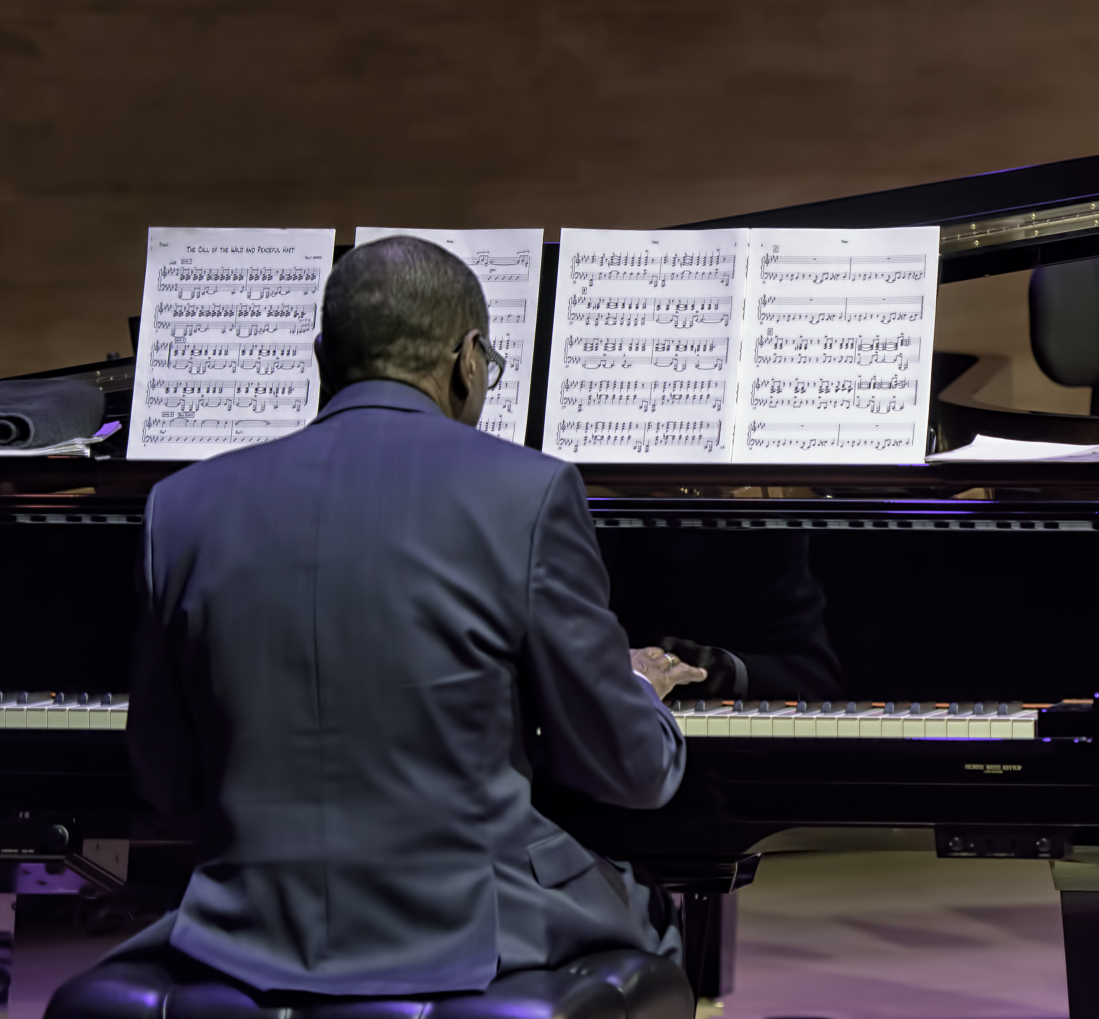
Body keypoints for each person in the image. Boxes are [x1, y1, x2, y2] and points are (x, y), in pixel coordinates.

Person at [109, 235, 703, 996]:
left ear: (323, 359)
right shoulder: (527, 492)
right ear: (468, 359)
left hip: (244, 927)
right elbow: (630, 770)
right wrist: (640, 691)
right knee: (651, 916)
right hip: (467, 927)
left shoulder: (182, 507)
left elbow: (165, 780)